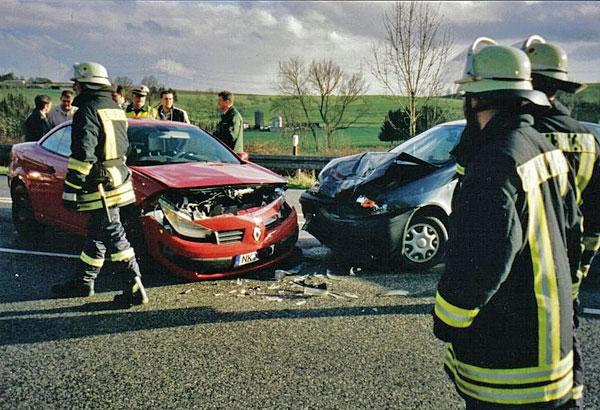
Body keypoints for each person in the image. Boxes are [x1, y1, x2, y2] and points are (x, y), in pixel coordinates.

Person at [433, 38, 578, 409]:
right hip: (553, 349)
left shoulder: (493, 163)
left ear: (477, 100)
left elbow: (481, 261)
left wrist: (447, 320)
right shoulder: (543, 148)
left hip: (510, 365)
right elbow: (572, 235)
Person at [521, 35, 600, 409]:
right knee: (567, 341)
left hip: (526, 267)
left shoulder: (522, 137)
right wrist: (579, 270)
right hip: (568, 266)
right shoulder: (588, 140)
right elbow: (595, 220)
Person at [51, 62, 148, 308]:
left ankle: (134, 286)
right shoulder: (114, 108)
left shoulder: (87, 110)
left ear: (87, 84)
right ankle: (83, 282)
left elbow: (83, 155)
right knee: (97, 233)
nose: (75, 87)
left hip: (100, 185)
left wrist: (71, 188)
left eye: (77, 83)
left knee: (113, 233)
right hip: (118, 178)